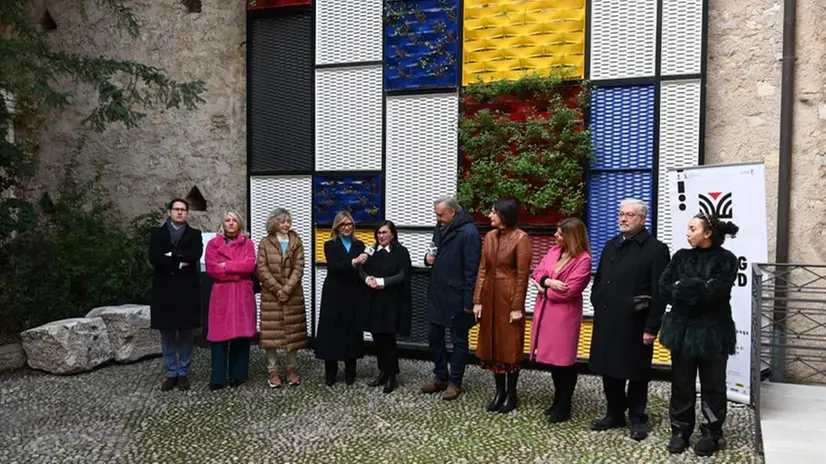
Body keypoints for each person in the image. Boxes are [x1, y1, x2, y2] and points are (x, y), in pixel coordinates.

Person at [588, 198, 670, 441]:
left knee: (636, 371)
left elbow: (660, 290)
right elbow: (600, 276)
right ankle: (614, 412)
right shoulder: (611, 245)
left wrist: (652, 326)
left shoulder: (656, 249)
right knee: (608, 369)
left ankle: (637, 417)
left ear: (643, 219)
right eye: (621, 214)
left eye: (630, 215)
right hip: (607, 318)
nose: (623, 219)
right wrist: (597, 297)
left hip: (636, 322)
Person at [658, 212, 739, 456]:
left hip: (714, 332)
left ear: (707, 233)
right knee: (681, 384)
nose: (687, 233)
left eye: (692, 228)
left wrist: (685, 287)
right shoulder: (681, 256)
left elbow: (716, 292)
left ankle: (712, 433)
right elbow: (664, 286)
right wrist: (696, 287)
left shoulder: (726, 260)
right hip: (682, 332)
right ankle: (680, 431)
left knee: (713, 384)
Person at [529, 217, 592, 423]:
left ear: (571, 237)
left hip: (565, 316)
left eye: (559, 233)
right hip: (547, 313)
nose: (555, 236)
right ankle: (557, 399)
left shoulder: (583, 260)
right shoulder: (554, 252)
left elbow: (570, 291)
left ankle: (565, 403)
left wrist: (545, 290)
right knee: (554, 363)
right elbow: (537, 272)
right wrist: (548, 282)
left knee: (564, 361)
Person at [472, 198, 531, 413]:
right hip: (489, 296)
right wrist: (477, 300)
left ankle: (512, 393)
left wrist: (517, 306)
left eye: (493, 212)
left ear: (504, 215)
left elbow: (523, 276)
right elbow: (482, 269)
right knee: (492, 344)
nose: (489, 215)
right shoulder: (488, 236)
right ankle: (499, 391)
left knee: (510, 345)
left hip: (508, 296)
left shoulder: (521, 238)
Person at [422, 195, 481, 401]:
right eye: (436, 215)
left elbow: (472, 268)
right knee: (433, 336)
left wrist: (468, 301)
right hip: (437, 293)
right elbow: (433, 251)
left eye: (440, 215)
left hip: (457, 296)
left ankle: (455, 381)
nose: (437, 219)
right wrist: (427, 260)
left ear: (453, 212)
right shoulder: (440, 227)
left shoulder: (469, 233)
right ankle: (441, 376)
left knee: (459, 340)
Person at [148, 198, 203, 392]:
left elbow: (195, 254)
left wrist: (171, 257)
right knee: (167, 332)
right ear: (170, 212)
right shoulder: (157, 233)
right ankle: (170, 372)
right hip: (164, 290)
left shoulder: (195, 234)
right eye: (176, 209)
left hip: (187, 289)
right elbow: (154, 257)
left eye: (183, 210)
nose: (179, 212)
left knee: (187, 332)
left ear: (187, 213)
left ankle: (183, 372)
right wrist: (179, 261)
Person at [204, 211, 257, 391]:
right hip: (222, 294)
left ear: (240, 224)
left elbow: (249, 266)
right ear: (223, 223)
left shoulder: (248, 243)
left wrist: (226, 266)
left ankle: (238, 374)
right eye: (227, 220)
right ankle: (218, 377)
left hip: (242, 294)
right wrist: (237, 271)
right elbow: (212, 269)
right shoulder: (213, 244)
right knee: (219, 337)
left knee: (241, 336)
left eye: (234, 220)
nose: (231, 223)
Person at [358, 220, 412, 394]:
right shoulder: (371, 251)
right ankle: (382, 371)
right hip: (373, 300)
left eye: (384, 232)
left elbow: (404, 275)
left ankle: (391, 375)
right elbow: (360, 268)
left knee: (388, 338)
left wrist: (382, 282)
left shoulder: (401, 252)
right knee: (377, 337)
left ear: (393, 234)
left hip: (392, 301)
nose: (381, 236)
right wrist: (367, 279)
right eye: (379, 233)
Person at [314, 211, 368, 387]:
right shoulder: (330, 245)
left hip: (353, 292)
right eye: (343, 224)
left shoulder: (359, 244)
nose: (347, 227)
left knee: (351, 330)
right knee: (332, 331)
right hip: (334, 293)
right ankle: (331, 372)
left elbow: (363, 269)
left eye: (349, 224)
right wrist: (354, 261)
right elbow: (335, 266)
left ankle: (350, 372)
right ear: (337, 227)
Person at [257, 208, 308, 388]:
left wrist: (287, 289)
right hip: (272, 296)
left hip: (292, 295)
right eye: (282, 221)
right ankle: (273, 371)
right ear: (274, 223)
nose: (286, 224)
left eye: (288, 221)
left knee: (292, 335)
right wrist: (278, 289)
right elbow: (261, 269)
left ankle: (292, 369)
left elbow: (299, 267)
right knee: (271, 335)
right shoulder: (265, 243)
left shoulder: (296, 241)